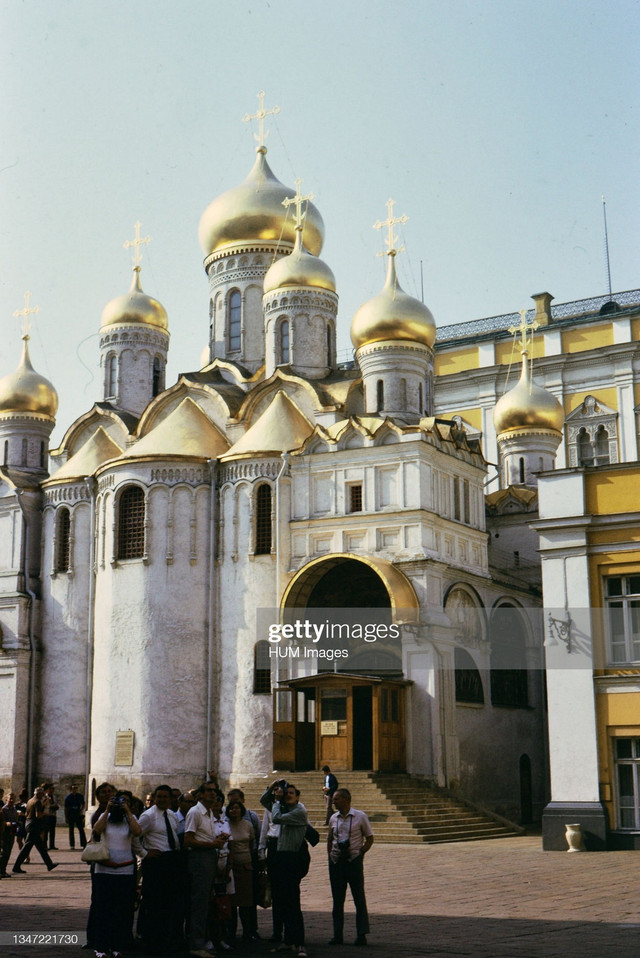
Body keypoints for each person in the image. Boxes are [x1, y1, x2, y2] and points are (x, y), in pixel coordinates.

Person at [91, 790, 142, 958]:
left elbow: (137, 831)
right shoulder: (105, 818)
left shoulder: (129, 820)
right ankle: (100, 947)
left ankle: (116, 945)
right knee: (103, 910)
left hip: (125, 870)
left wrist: (128, 811)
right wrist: (107, 810)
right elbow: (96, 831)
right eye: (119, 801)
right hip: (104, 870)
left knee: (120, 911)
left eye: (125, 801)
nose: (121, 804)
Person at [261, 780, 309, 958]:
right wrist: (273, 787)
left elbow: (276, 818)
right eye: (285, 792)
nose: (287, 795)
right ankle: (288, 941)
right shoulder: (284, 808)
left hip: (292, 859)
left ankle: (300, 942)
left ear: (297, 797)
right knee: (281, 900)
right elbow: (262, 801)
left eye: (291, 793)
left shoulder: (299, 811)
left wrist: (276, 800)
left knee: (293, 902)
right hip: (280, 857)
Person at [137, 784, 184, 954]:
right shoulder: (148, 816)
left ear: (171, 799)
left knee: (168, 902)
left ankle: (165, 938)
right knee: (153, 902)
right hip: (155, 862)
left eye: (166, 797)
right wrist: (143, 852)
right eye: (160, 797)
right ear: (155, 798)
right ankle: (150, 939)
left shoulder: (171, 815)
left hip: (170, 861)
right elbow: (135, 835)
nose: (163, 800)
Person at [184, 782, 230, 958]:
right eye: (209, 791)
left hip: (209, 856)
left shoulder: (210, 812)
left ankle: (201, 940)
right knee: (199, 902)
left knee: (206, 902)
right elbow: (188, 840)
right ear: (200, 795)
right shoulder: (195, 812)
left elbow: (204, 836)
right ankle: (196, 944)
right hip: (199, 857)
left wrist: (217, 840)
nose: (213, 794)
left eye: (215, 791)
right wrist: (212, 844)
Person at [327, 788, 374, 947]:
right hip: (336, 861)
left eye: (337, 799)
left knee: (358, 898)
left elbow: (369, 838)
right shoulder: (334, 818)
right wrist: (331, 855)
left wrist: (361, 852)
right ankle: (337, 934)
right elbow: (329, 838)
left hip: (353, 860)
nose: (334, 802)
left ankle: (361, 934)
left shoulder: (360, 816)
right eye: (333, 799)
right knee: (337, 900)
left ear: (346, 800)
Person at [226, 799, 258, 941]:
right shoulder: (225, 825)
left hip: (245, 865)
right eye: (232, 808)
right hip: (230, 867)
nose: (234, 810)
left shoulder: (248, 825)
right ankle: (231, 932)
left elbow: (251, 843)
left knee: (246, 903)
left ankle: (248, 932)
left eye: (237, 808)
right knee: (231, 903)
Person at [12, 787, 58, 873]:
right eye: (42, 794)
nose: (43, 795)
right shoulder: (37, 802)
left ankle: (49, 864)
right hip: (34, 825)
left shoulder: (30, 801)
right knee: (26, 847)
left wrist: (43, 805)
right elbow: (38, 815)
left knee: (41, 847)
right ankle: (16, 866)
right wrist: (45, 812)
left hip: (29, 823)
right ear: (39, 794)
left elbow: (26, 813)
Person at [258, 804, 283, 944]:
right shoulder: (270, 808)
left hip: (289, 850)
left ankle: (292, 932)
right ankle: (277, 930)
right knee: (275, 892)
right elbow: (264, 830)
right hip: (274, 847)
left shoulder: (298, 809)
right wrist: (261, 852)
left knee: (290, 894)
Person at [1, 792, 19, 877]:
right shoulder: (3, 810)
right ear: (6, 800)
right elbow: (3, 822)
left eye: (13, 799)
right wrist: (8, 823)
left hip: (12, 832)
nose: (11, 800)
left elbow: (15, 819)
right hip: (5, 833)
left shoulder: (14, 809)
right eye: (10, 799)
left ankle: (3, 870)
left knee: (8, 853)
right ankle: (1, 871)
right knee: (4, 852)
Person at [64, 784, 87, 849]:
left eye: (76, 788)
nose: (75, 789)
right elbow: (66, 808)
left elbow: (83, 803)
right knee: (71, 830)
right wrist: (66, 817)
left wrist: (81, 810)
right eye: (74, 788)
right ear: (71, 789)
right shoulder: (68, 797)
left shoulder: (79, 796)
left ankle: (83, 843)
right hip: (71, 814)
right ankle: (72, 845)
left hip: (77, 813)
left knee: (81, 829)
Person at [42, 782, 59, 849]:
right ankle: (45, 845)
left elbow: (56, 805)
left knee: (52, 831)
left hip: (53, 815)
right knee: (46, 831)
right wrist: (51, 806)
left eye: (53, 789)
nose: (52, 790)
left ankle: (52, 845)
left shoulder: (54, 797)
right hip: (47, 815)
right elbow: (46, 805)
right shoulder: (45, 797)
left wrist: (53, 806)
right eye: (51, 788)